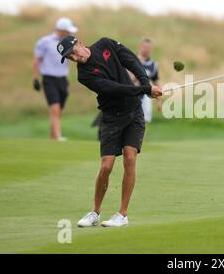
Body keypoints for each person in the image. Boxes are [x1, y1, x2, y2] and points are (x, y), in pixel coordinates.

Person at [56, 35, 162, 227]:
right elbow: (113, 88)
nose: (73, 58)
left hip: (133, 113)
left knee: (130, 158)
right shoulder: (84, 75)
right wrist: (144, 90)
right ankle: (95, 212)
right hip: (111, 117)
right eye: (69, 57)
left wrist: (145, 82)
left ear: (79, 43)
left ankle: (122, 215)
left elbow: (130, 59)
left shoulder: (105, 44)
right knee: (106, 166)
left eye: (72, 52)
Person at [33, 18, 78, 141]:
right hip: (49, 79)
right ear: (61, 30)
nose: (70, 33)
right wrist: (35, 79)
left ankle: (52, 136)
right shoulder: (44, 42)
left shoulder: (68, 43)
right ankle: (58, 135)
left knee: (59, 110)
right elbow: (37, 60)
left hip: (63, 79)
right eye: (67, 31)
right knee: (55, 109)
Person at [128, 38, 162, 123]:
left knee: (143, 121)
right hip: (131, 94)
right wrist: (133, 78)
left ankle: (141, 137)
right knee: (130, 120)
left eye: (148, 47)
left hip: (145, 96)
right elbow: (124, 77)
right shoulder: (131, 60)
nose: (146, 49)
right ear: (140, 46)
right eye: (144, 47)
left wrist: (159, 101)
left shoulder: (153, 65)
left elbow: (156, 82)